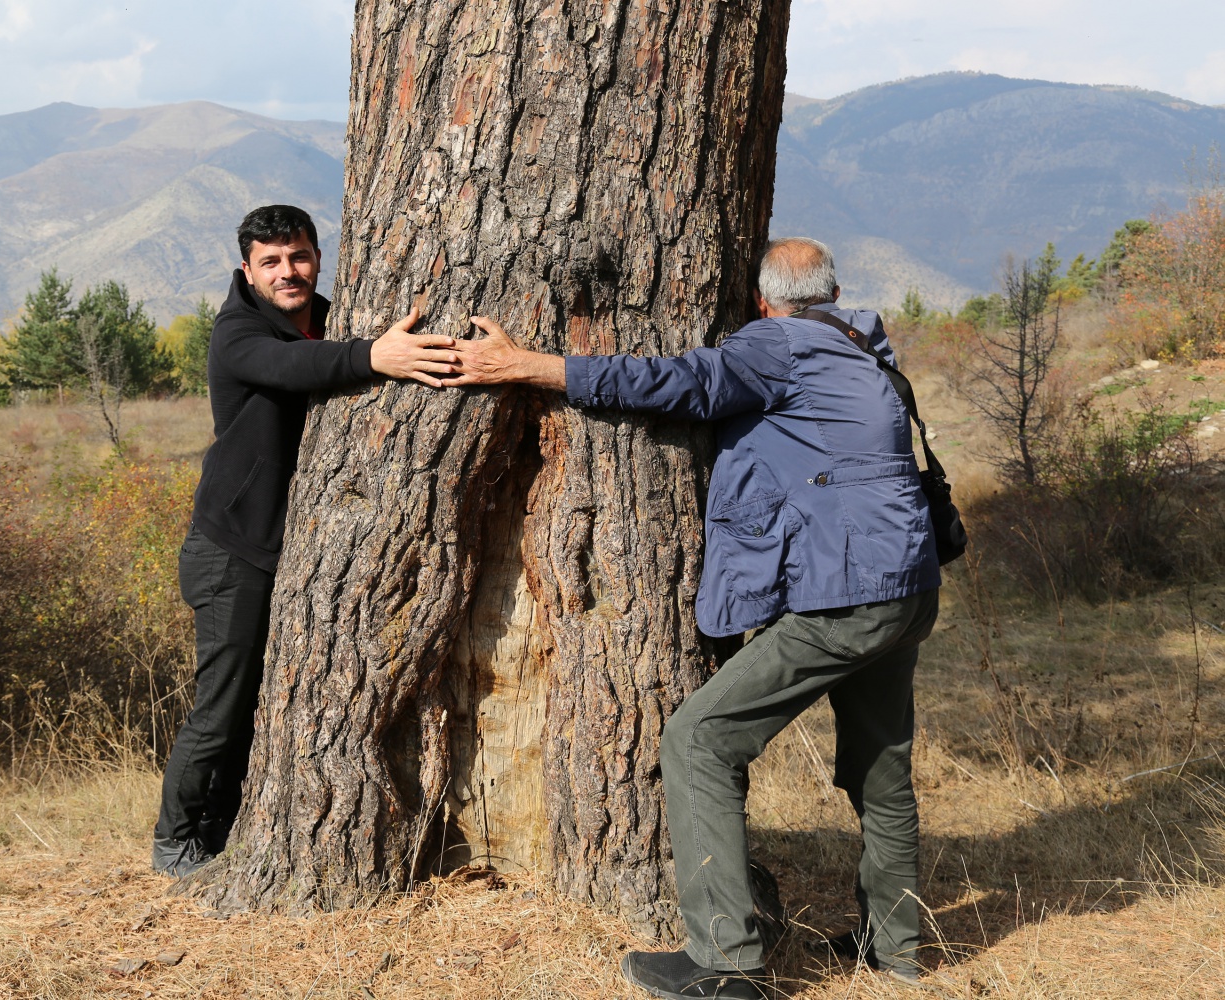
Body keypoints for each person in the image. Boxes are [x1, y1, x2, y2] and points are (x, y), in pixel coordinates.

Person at [443, 237, 941, 999]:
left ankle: (726, 963)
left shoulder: (780, 343)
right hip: (908, 585)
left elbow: (677, 382)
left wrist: (529, 367)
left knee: (699, 738)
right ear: (830, 292)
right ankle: (897, 952)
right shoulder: (862, 345)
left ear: (763, 301)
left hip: (848, 593)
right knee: (881, 767)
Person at [154, 204, 459, 878]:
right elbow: (293, 369)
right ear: (248, 270)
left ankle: (221, 834)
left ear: (316, 256)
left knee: (263, 701)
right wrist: (376, 355)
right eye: (271, 261)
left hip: (278, 550)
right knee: (222, 709)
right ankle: (175, 843)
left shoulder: (328, 316)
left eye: (297, 256)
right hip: (231, 550)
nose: (287, 271)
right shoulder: (238, 331)